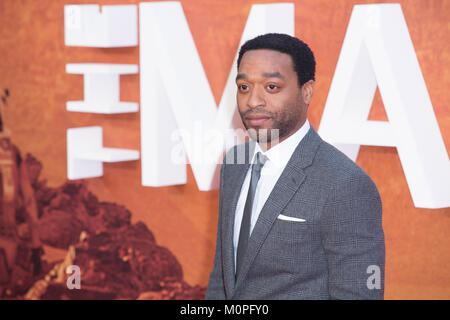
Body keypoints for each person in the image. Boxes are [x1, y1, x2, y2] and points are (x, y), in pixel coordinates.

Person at [205, 33, 385, 300]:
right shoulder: (235, 163)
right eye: (244, 87)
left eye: (272, 87)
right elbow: (223, 274)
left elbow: (360, 293)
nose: (253, 101)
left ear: (307, 91)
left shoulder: (345, 184)